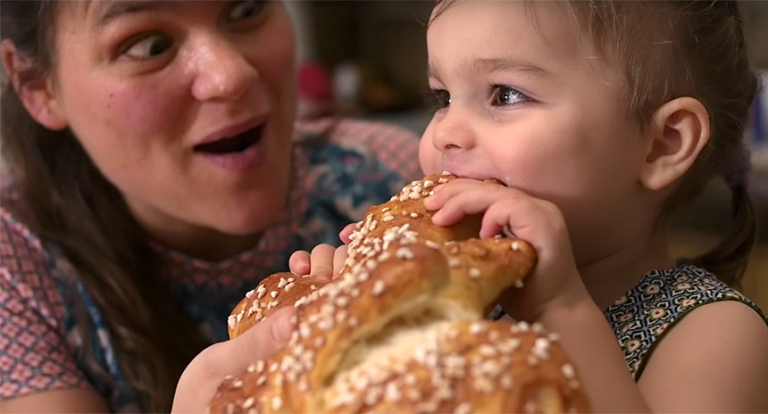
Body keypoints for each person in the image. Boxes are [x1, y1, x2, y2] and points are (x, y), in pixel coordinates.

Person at [290, 0, 768, 412]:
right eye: (443, 96)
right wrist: (354, 329)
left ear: (662, 144)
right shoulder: (465, 307)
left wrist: (558, 305)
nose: (444, 135)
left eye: (505, 94)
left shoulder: (719, 335)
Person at [0, 0, 421, 412]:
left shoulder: (397, 177)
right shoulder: (15, 264)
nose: (231, 75)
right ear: (39, 87)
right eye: (149, 46)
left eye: (246, 9)